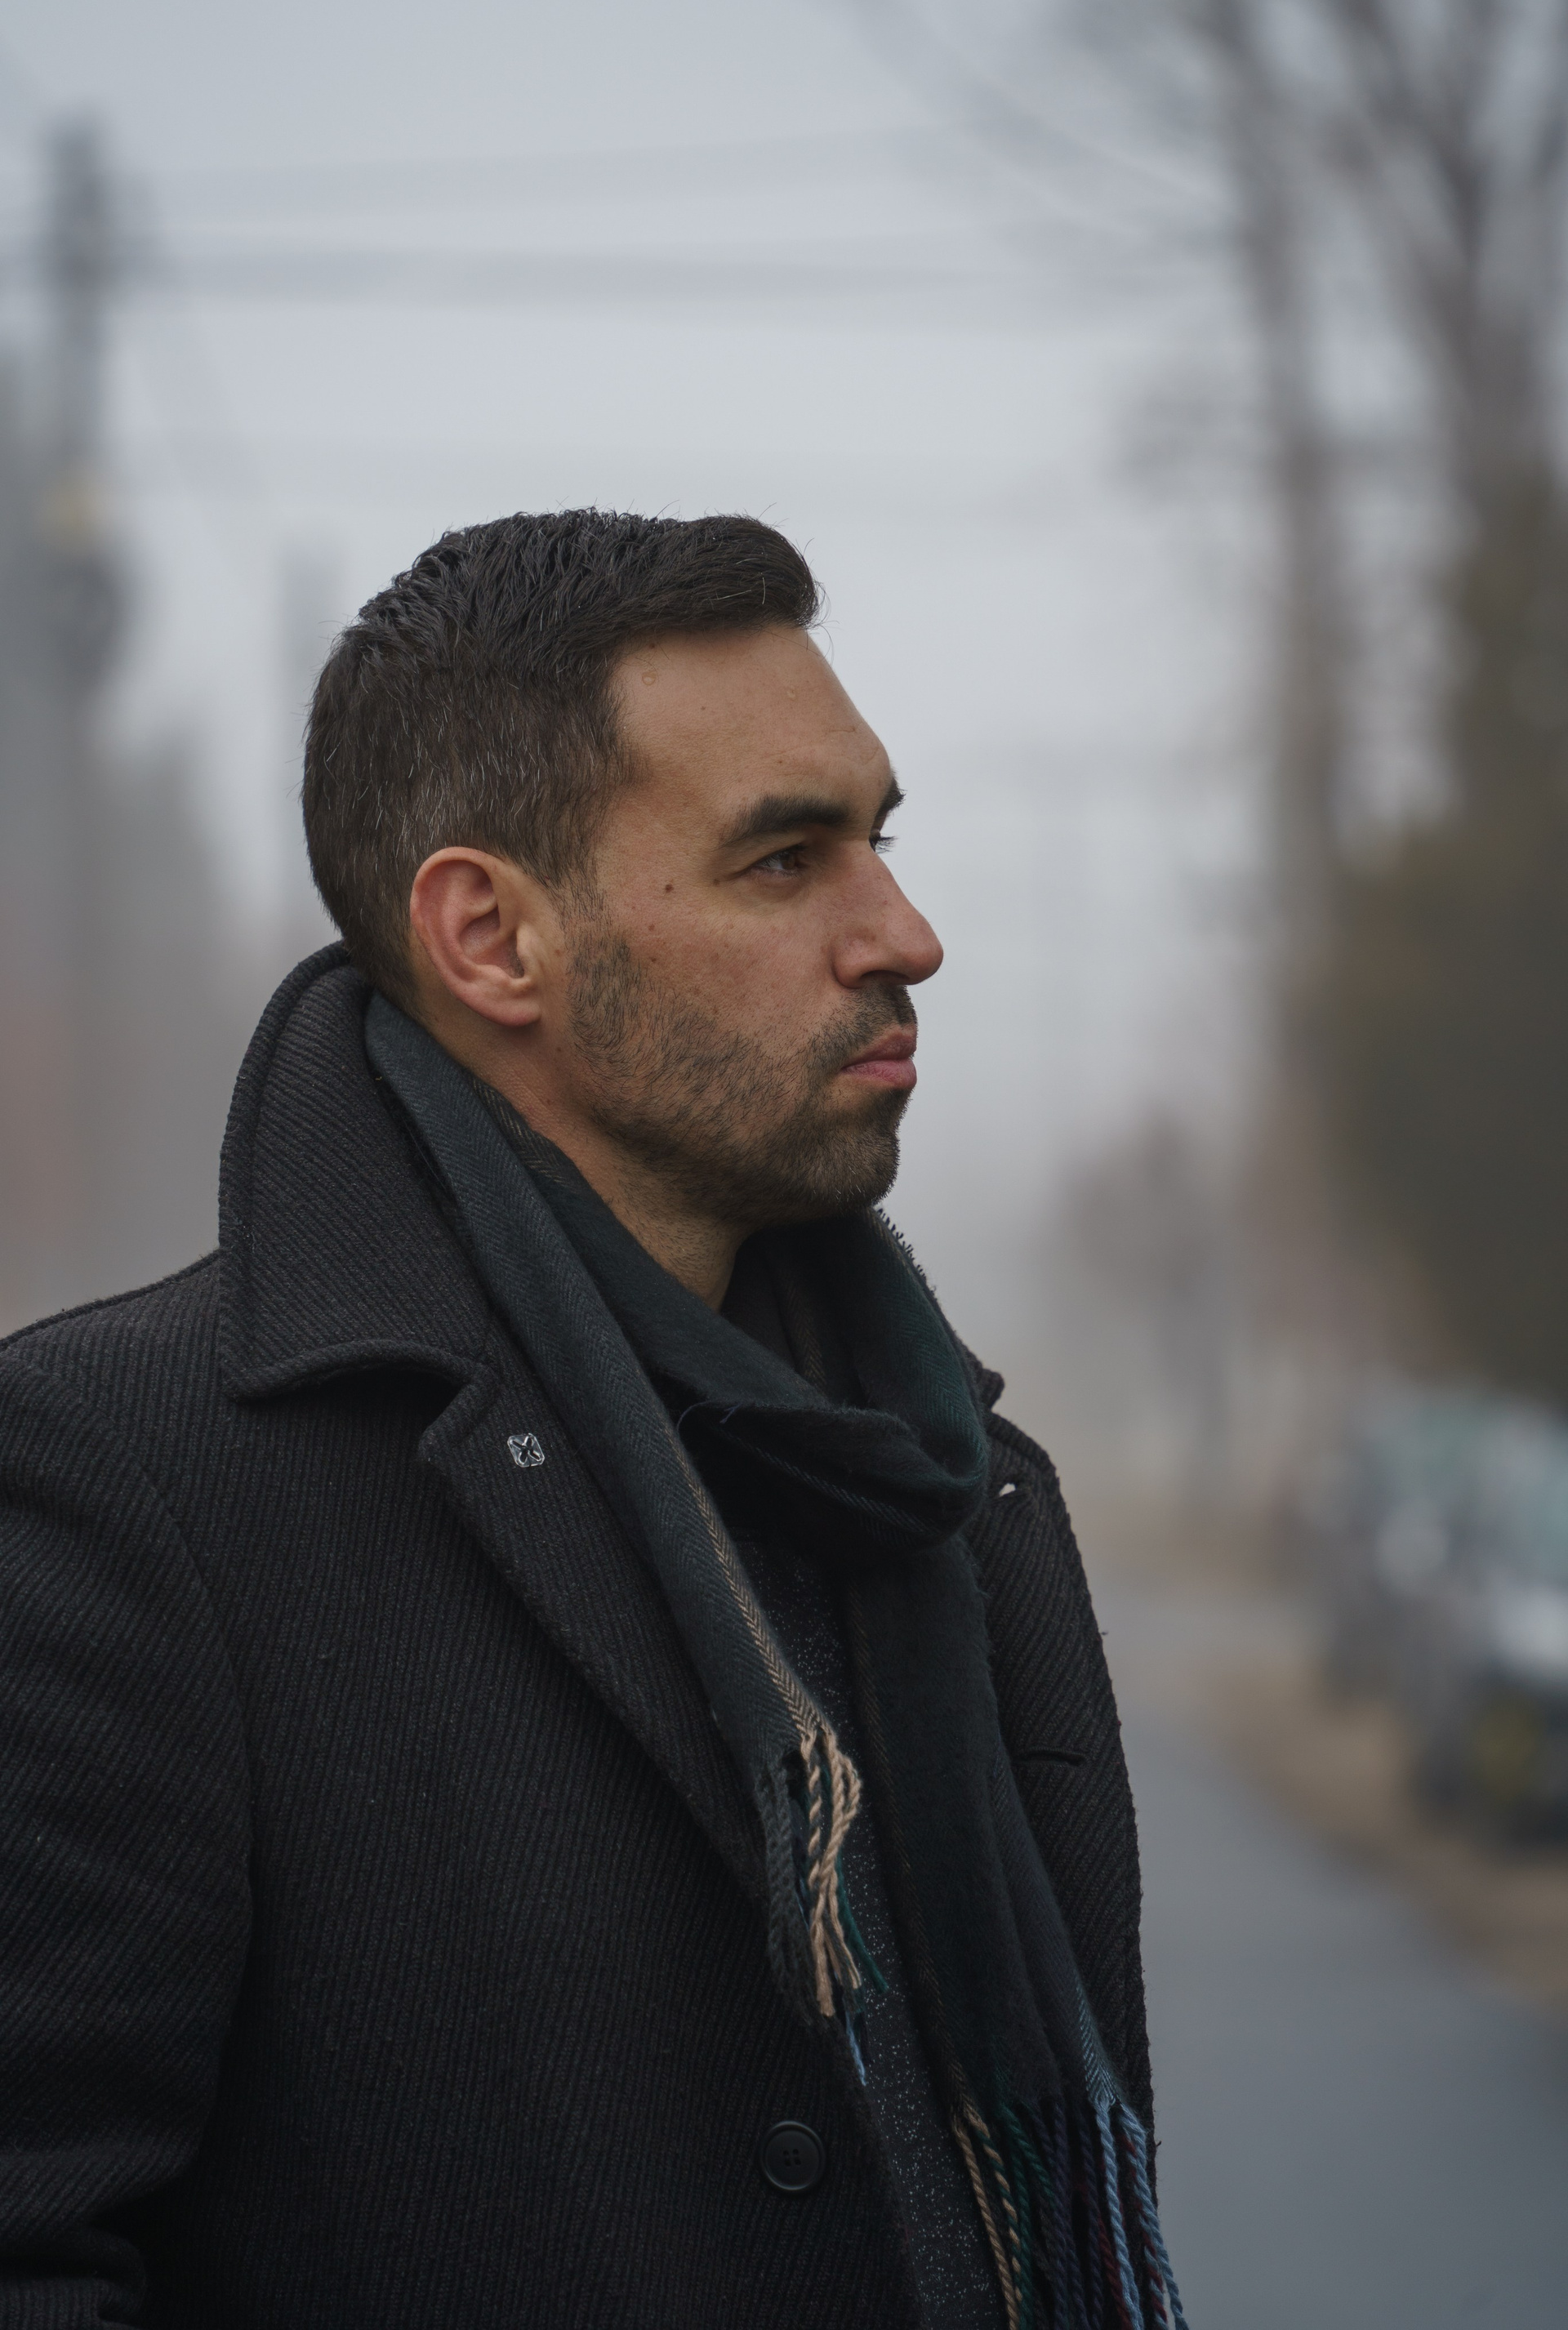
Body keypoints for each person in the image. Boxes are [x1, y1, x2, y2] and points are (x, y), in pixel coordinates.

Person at [0, 512, 1183, 2330]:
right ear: (492, 937)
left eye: (878, 842)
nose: (908, 936)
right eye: (784, 860)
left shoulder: (945, 1475)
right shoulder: (120, 1486)